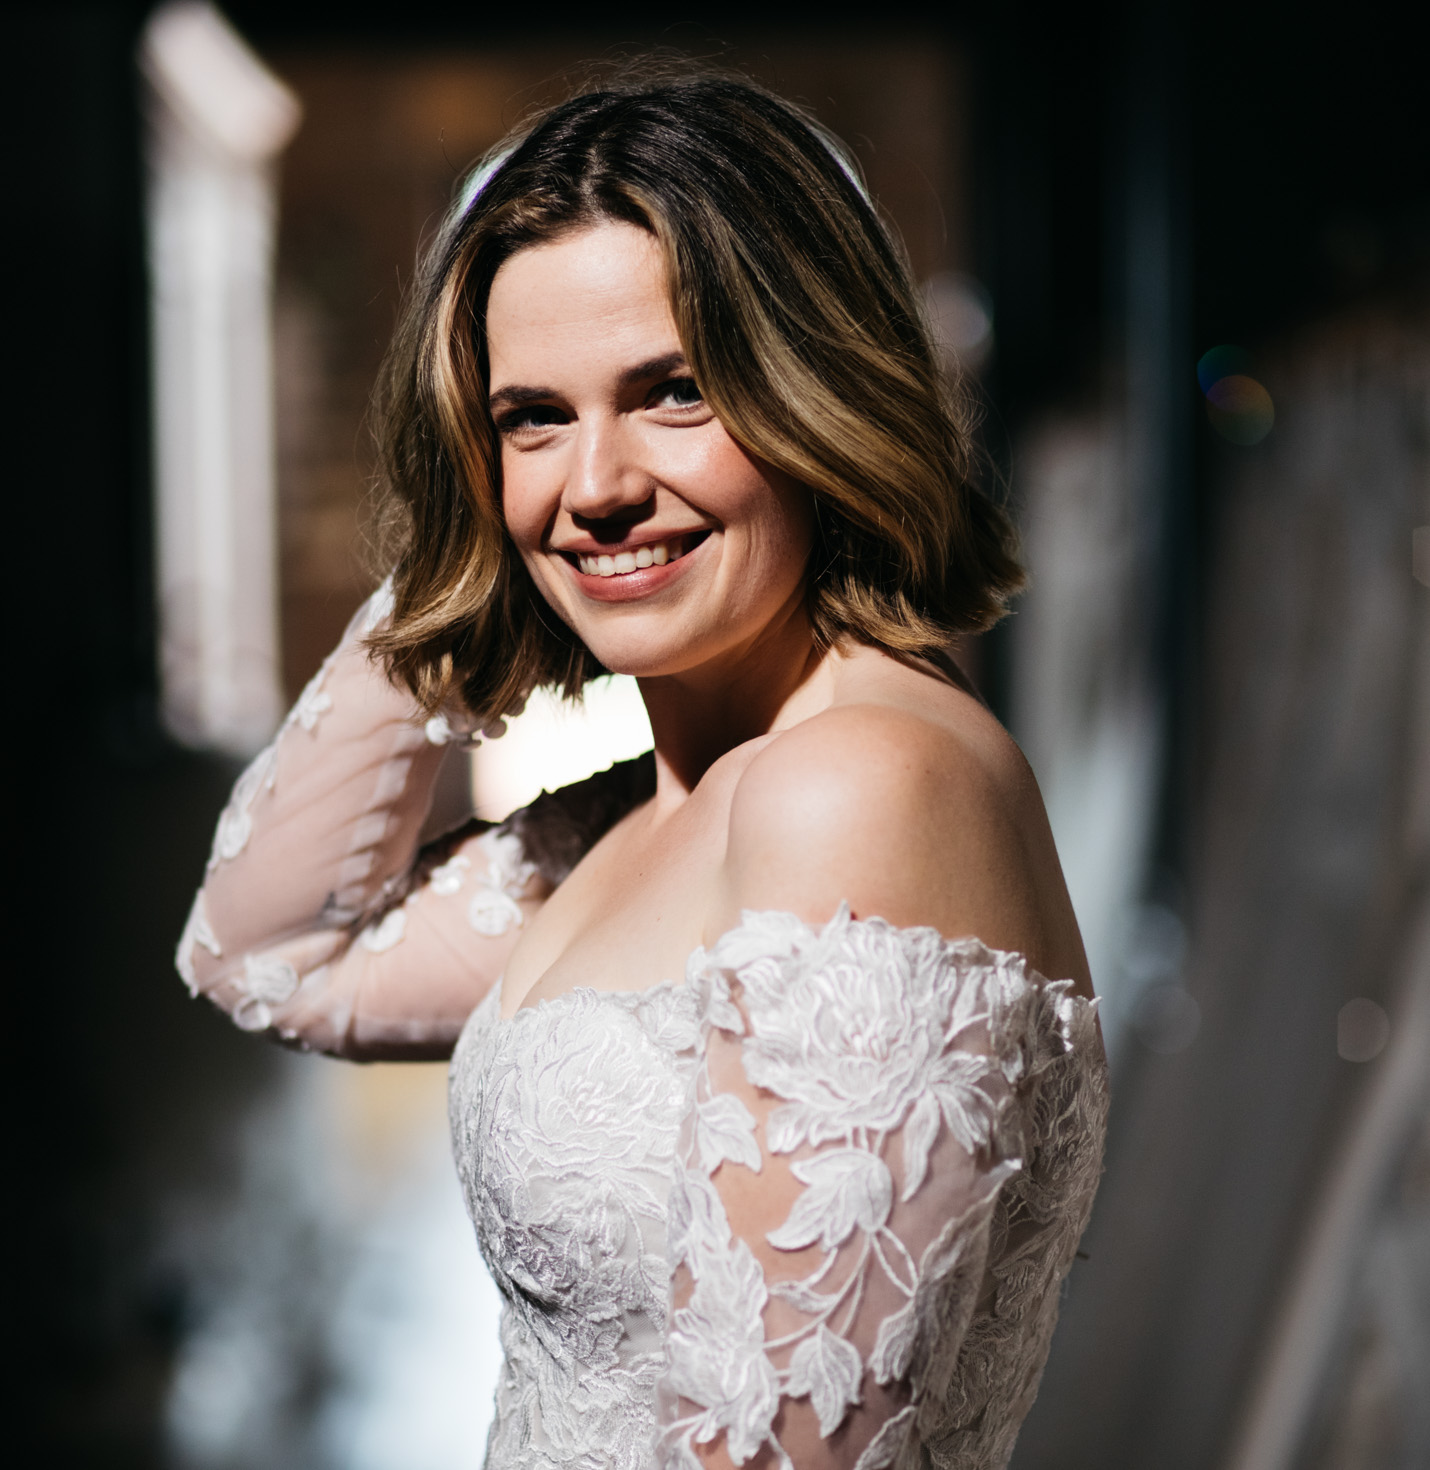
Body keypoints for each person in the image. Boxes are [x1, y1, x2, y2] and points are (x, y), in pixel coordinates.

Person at [178, 70, 1108, 1470]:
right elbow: (267, 955)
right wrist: (452, 573)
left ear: (816, 391)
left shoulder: (857, 789)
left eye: (672, 392)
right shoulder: (644, 809)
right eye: (529, 417)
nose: (593, 484)